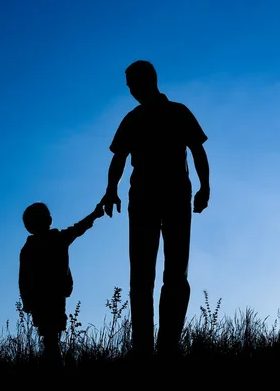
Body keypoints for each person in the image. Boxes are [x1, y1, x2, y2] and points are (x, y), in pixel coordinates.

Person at [100, 60, 210, 359]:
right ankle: (145, 348)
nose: (131, 91)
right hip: (145, 200)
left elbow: (198, 150)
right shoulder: (134, 118)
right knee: (143, 275)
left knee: (172, 273)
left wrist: (205, 187)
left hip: (173, 198)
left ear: (148, 80)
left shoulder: (177, 112)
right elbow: (119, 158)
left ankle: (167, 345)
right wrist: (111, 190)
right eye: (129, 86)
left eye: (132, 84)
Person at [19, 201, 105, 366]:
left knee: (49, 335)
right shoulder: (57, 239)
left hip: (40, 299)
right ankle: (54, 365)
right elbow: (79, 228)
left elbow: (23, 279)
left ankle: (52, 363)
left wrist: (26, 301)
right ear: (49, 220)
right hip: (53, 297)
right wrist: (94, 214)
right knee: (52, 335)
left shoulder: (29, 248)